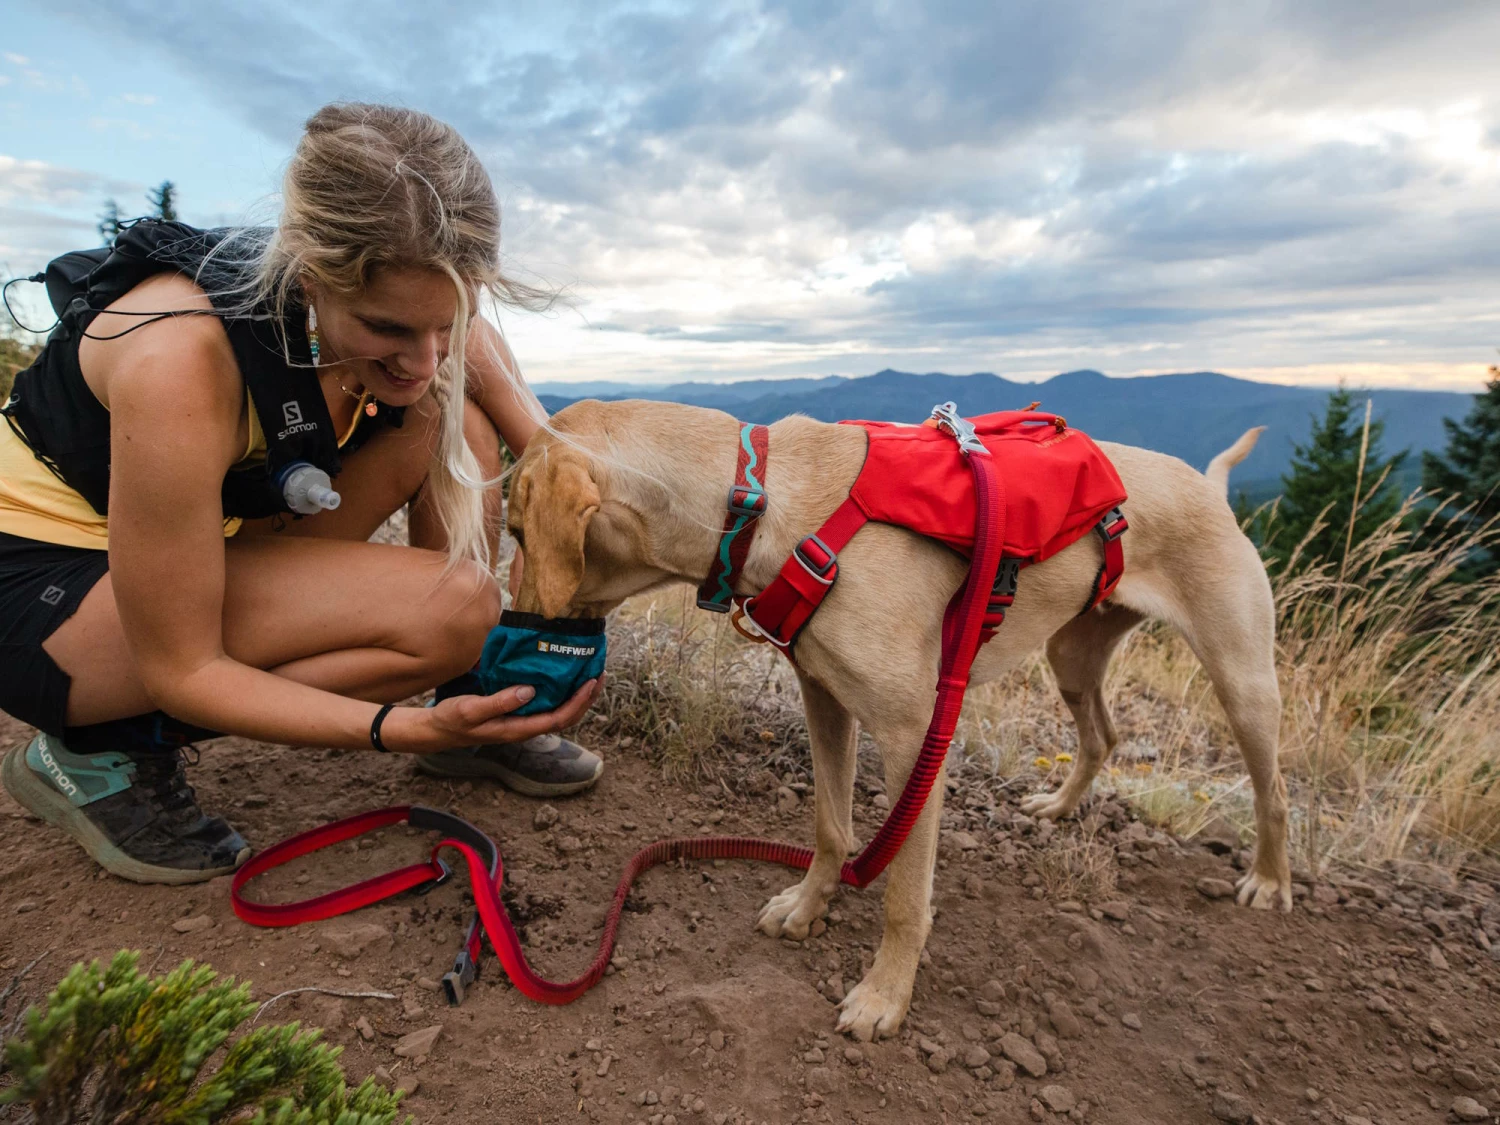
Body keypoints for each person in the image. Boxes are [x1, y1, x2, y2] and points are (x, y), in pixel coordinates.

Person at [0, 102, 603, 886]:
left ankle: (475, 708)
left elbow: (453, 343)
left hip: (187, 535)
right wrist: (399, 728)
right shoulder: (178, 359)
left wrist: (554, 463)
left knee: (451, 418)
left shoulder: (395, 308)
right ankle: (96, 751)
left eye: (447, 320)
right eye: (391, 327)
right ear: (312, 277)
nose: (424, 357)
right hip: (41, 587)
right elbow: (186, 667)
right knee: (453, 609)